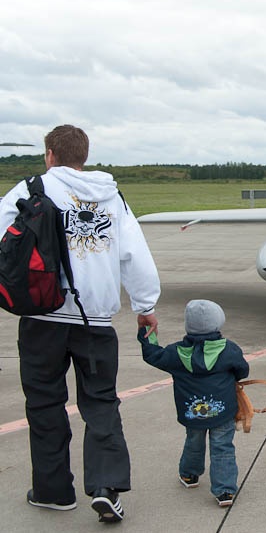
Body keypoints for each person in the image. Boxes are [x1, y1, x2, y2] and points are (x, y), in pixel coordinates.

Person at [0, 125, 161, 523]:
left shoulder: (31, 188)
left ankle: (54, 491)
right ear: (83, 156)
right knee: (101, 401)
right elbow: (134, 255)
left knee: (44, 403)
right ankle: (106, 487)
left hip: (42, 317)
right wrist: (145, 305)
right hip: (95, 321)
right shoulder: (112, 196)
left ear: (50, 154)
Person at [138, 299, 249, 506]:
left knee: (194, 441)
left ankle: (190, 475)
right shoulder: (229, 350)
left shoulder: (175, 353)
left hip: (192, 412)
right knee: (223, 447)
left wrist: (147, 331)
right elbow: (242, 370)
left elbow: (152, 354)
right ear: (218, 323)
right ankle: (224, 490)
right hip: (223, 411)